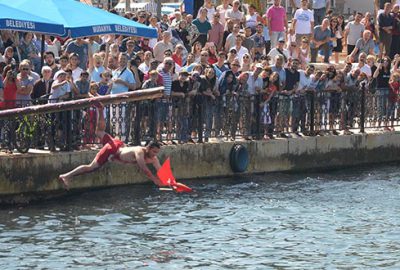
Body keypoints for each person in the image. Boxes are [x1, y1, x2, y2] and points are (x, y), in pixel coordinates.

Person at [59, 104, 163, 189]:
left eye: (156, 152)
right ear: (148, 148)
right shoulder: (139, 151)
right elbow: (143, 168)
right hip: (112, 150)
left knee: (99, 131)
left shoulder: (153, 158)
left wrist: (171, 183)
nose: (155, 155)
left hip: (118, 144)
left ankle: (100, 109)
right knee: (91, 167)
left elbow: (161, 170)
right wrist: (154, 180)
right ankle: (66, 176)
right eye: (154, 152)